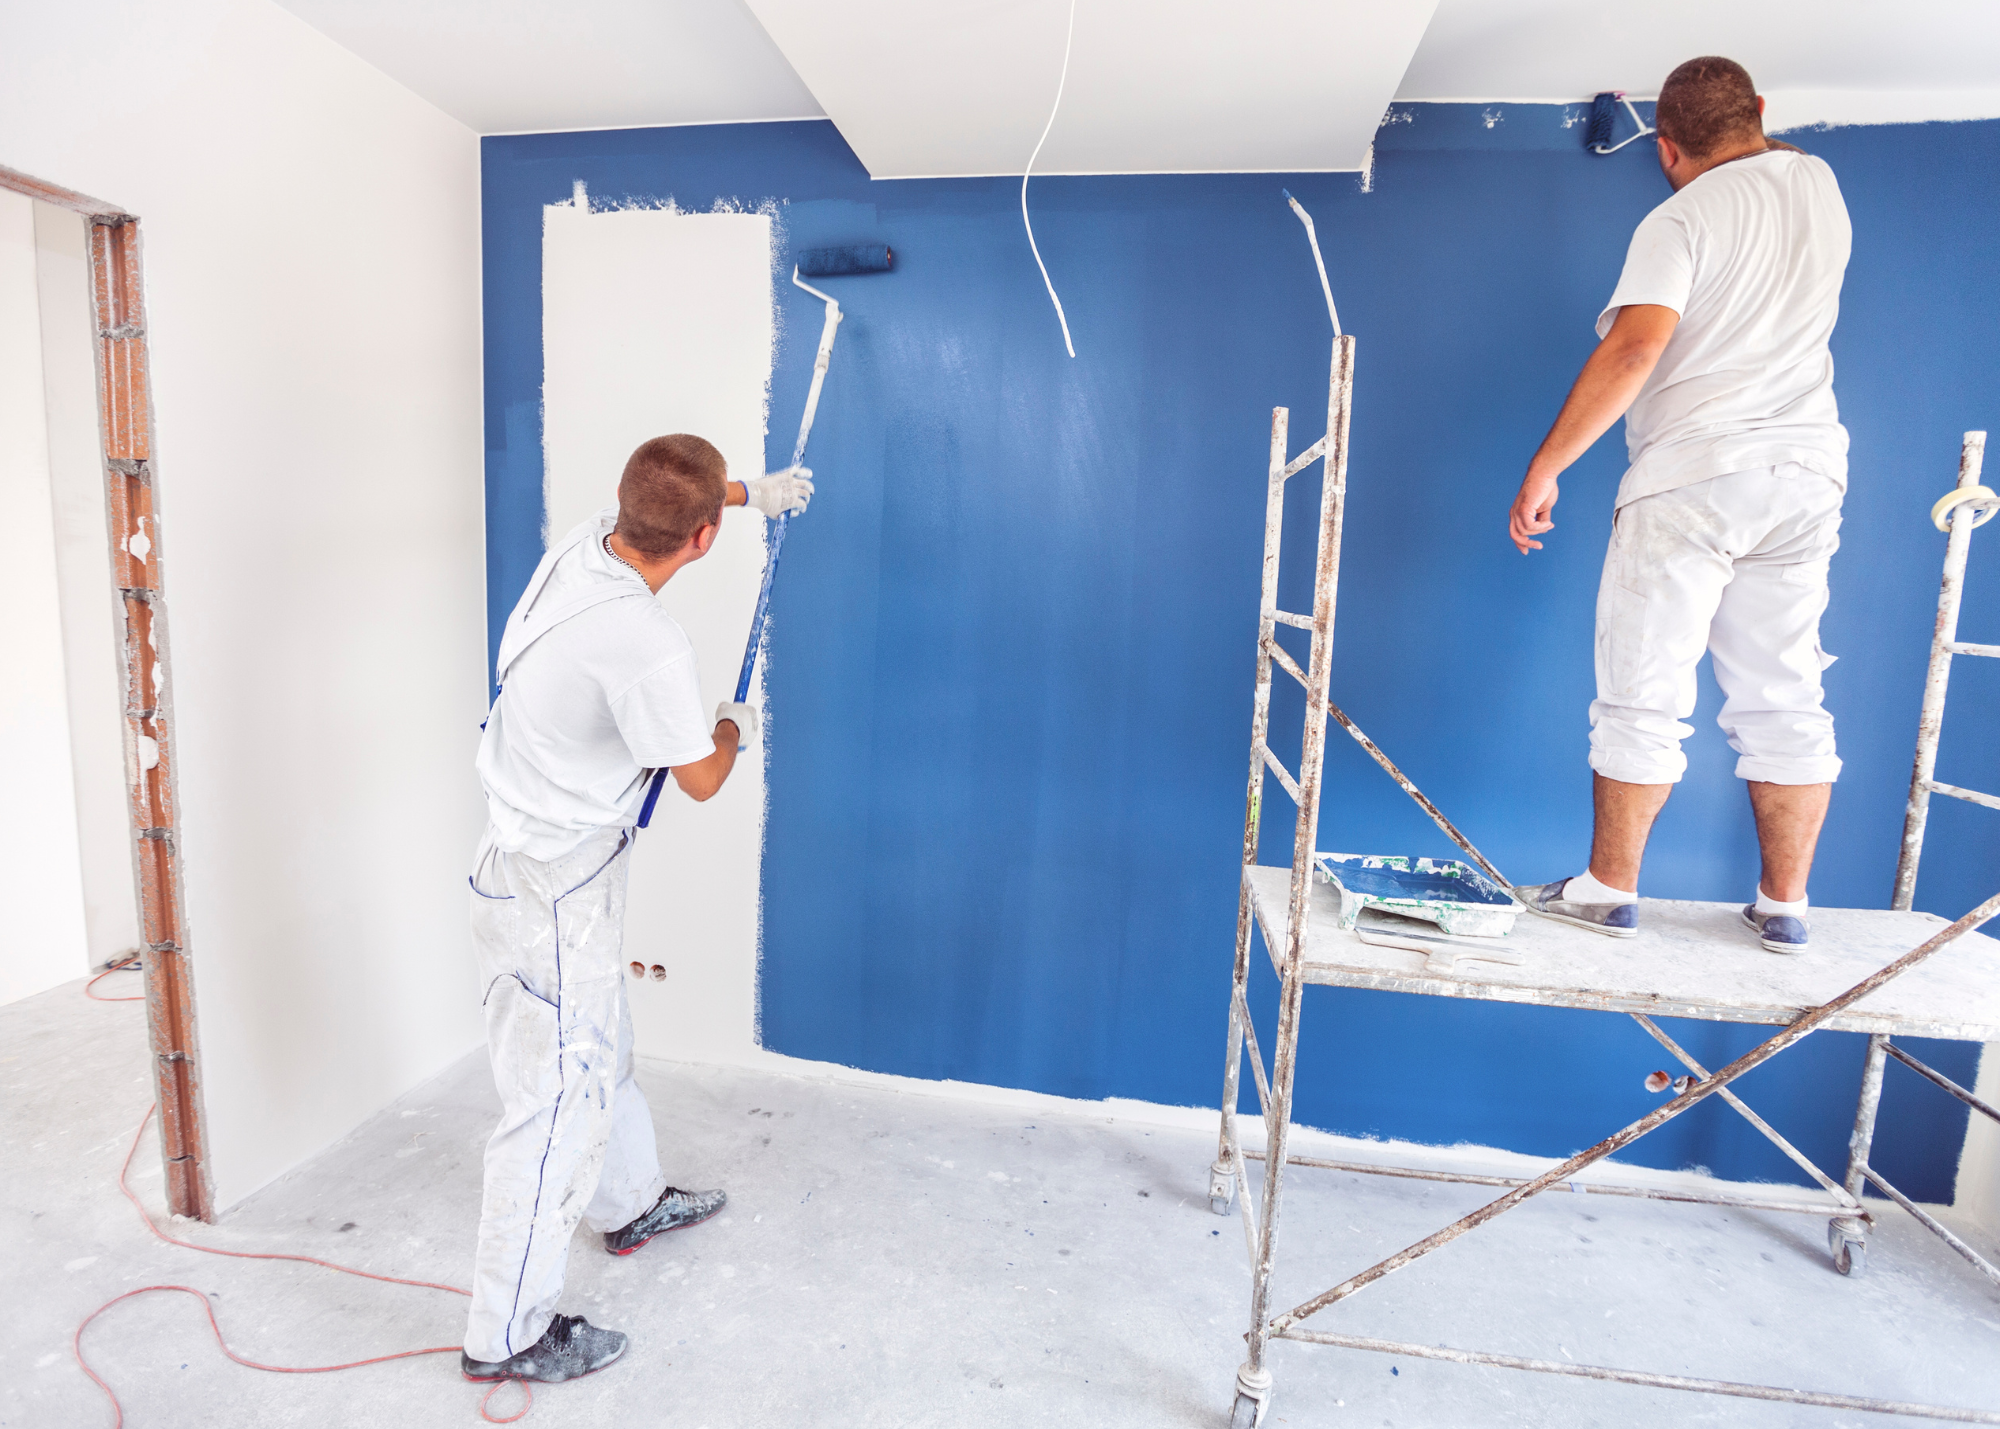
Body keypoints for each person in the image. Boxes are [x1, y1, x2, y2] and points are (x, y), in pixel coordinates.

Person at [460, 434, 813, 1384]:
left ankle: (627, 1205)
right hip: (556, 884)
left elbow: (677, 498)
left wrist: (752, 495)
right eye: (719, 516)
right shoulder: (648, 644)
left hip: (535, 856)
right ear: (700, 539)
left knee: (599, 1049)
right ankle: (505, 1334)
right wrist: (736, 723)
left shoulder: (584, 546)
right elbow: (699, 776)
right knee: (552, 1105)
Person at [1507, 57, 1851, 955]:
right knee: (1785, 693)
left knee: (1643, 690)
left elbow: (1636, 348)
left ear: (1665, 148)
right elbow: (1760, 156)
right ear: (1763, 114)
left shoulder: (1679, 216)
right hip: (1807, 474)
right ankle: (1785, 905)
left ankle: (1606, 890)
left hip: (1695, 474)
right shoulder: (1817, 184)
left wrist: (1547, 465)